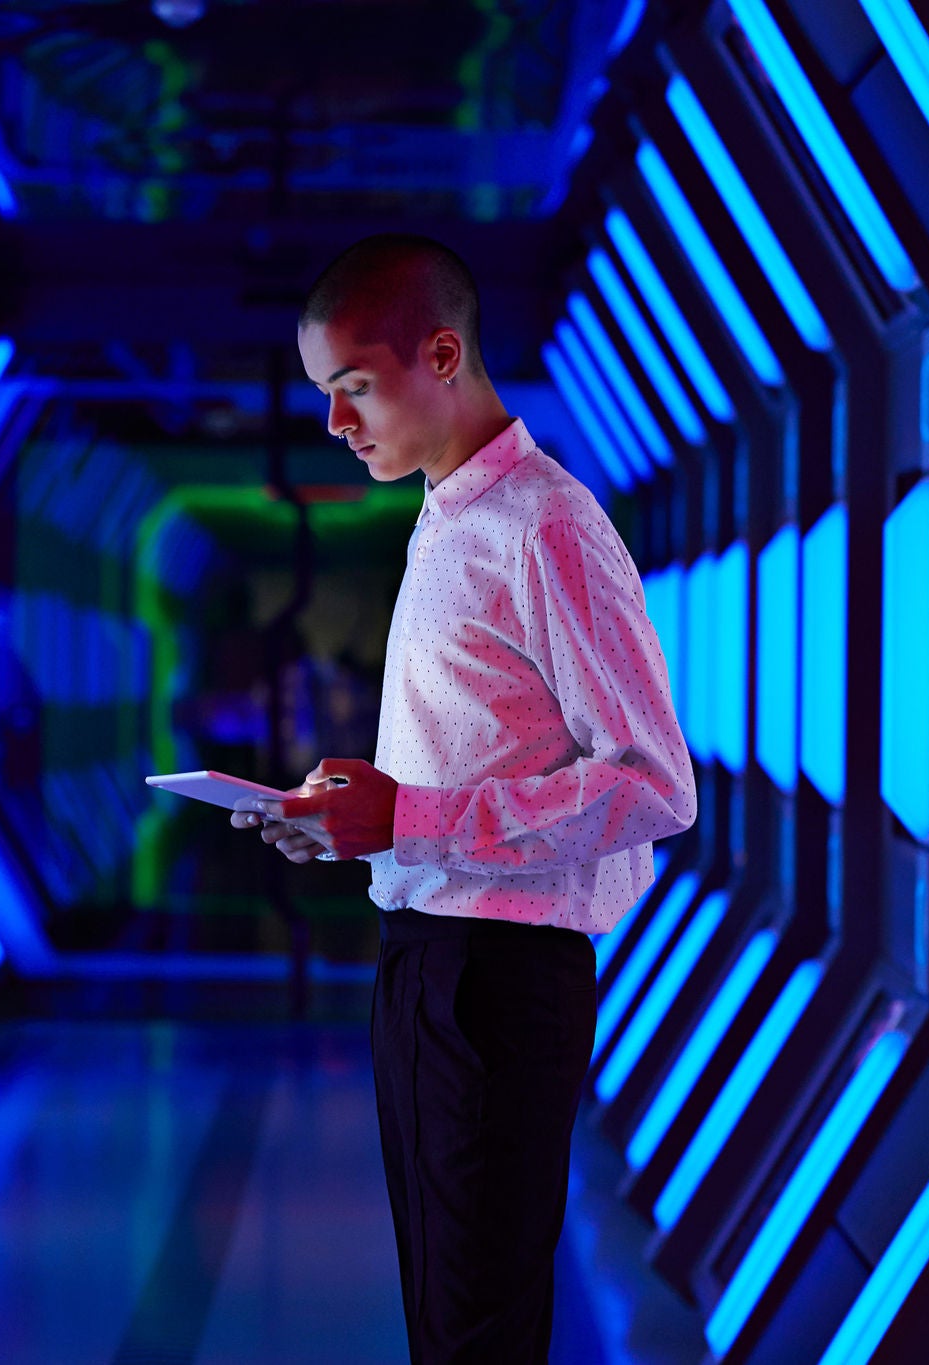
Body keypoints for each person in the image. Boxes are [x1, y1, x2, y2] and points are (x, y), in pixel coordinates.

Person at [233, 234, 696, 1363]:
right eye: (324, 396)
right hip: (427, 957)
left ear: (440, 353)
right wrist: (344, 822)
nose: (337, 426)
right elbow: (466, 762)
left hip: (497, 981)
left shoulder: (546, 527)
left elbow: (651, 784)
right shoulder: (443, 518)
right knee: (445, 1316)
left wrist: (406, 822)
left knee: (475, 1330)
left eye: (352, 389)